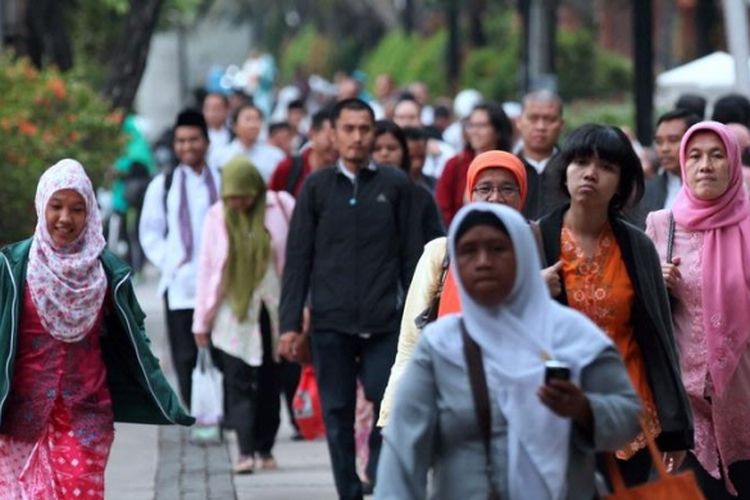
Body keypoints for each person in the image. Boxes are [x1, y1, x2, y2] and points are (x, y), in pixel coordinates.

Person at [375, 203, 641, 500]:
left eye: (498, 248)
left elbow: (629, 419)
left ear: (524, 256)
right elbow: (402, 452)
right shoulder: (440, 347)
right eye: (469, 251)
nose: (483, 261)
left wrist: (585, 410)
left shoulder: (573, 337)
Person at [0, 159, 192, 497]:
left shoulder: (108, 272)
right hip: (21, 416)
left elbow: (135, 334)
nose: (65, 218)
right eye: (56, 206)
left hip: (85, 412)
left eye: (77, 209)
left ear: (90, 213)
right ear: (40, 205)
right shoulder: (12, 266)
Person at [278, 98, 421, 500]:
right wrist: (290, 324)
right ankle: (348, 489)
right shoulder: (316, 188)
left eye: (364, 128)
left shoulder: (395, 186)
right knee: (337, 412)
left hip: (384, 320)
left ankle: (376, 469)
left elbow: (413, 257)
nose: (357, 137)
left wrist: (418, 316)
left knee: (385, 399)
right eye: (349, 128)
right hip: (330, 322)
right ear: (333, 134)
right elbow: (298, 260)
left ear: (374, 132)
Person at [538, 124, 693, 485]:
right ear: (565, 172)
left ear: (622, 183)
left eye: (606, 166)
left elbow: (659, 339)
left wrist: (675, 427)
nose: (591, 173)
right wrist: (531, 289)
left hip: (631, 413)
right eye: (580, 162)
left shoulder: (637, 247)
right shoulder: (535, 240)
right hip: (557, 415)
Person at [379, 149, 552, 426]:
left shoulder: (541, 250)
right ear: (470, 193)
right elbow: (411, 341)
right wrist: (395, 413)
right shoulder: (441, 253)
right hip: (452, 397)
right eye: (485, 188)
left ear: (522, 195)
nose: (496, 197)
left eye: (507, 188)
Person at [645, 121, 750, 498]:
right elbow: (642, 309)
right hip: (685, 402)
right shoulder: (661, 224)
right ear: (683, 165)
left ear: (733, 163)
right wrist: (657, 284)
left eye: (717, 155)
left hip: (744, 396)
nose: (705, 165)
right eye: (695, 156)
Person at [192, 155, 295, 474]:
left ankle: (265, 447)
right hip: (233, 316)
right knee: (237, 382)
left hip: (272, 313)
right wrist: (201, 320)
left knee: (269, 383)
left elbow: (293, 263)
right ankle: (245, 450)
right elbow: (208, 269)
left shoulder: (279, 208)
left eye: (244, 195)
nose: (238, 203)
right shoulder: (217, 216)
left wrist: (300, 311)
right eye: (232, 196)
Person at [139, 109, 221, 407]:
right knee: (185, 356)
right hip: (181, 286)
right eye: (181, 141)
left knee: (222, 350)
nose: (187, 147)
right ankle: (196, 414)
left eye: (194, 140)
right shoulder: (164, 185)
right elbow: (150, 232)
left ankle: (223, 411)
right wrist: (171, 262)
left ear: (206, 141)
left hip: (219, 284)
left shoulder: (222, 181)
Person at [436, 101, 513, 226]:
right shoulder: (454, 165)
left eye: (482, 126)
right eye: (471, 125)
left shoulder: (512, 166)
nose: (474, 131)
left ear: (498, 130)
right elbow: (442, 210)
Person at [373, 120, 444, 251]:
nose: (384, 154)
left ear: (404, 152)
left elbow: (437, 246)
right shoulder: (355, 194)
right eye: (377, 148)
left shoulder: (421, 196)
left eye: (391, 148)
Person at [631, 109, 700, 228]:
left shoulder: (711, 190)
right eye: (659, 142)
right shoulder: (645, 190)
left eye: (673, 140)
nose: (664, 148)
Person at [515, 90, 566, 219]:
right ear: (519, 122)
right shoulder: (508, 169)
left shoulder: (571, 170)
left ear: (561, 125)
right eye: (533, 118)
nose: (541, 127)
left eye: (550, 119)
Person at [269, 109, 337, 197]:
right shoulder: (288, 167)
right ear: (312, 134)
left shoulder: (347, 171)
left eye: (339, 139)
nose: (335, 146)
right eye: (329, 139)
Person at [213, 103, 286, 182]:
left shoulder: (275, 155)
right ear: (235, 126)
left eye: (257, 119)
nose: (253, 125)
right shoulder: (220, 155)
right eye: (248, 119)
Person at [392, 97, 455, 181]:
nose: (406, 123)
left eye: (412, 117)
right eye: (401, 118)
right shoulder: (382, 149)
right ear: (393, 119)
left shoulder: (442, 150)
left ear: (421, 119)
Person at [203, 92, 232, 156]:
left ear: (227, 110)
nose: (211, 113)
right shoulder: (199, 135)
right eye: (208, 108)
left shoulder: (234, 134)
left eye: (216, 108)